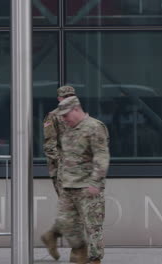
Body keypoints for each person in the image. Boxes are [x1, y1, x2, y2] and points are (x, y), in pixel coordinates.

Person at [56, 96, 110, 264]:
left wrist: (95, 182)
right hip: (68, 186)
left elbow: (101, 156)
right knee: (69, 225)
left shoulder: (94, 127)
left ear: (76, 109)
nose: (64, 119)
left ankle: (94, 260)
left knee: (92, 227)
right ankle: (79, 258)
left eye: (66, 115)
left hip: (87, 187)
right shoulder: (68, 128)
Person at [41, 85, 77, 261]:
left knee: (73, 209)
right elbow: (49, 145)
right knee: (71, 208)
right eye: (65, 96)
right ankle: (77, 251)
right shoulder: (53, 116)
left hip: (78, 170)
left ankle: (52, 235)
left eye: (71, 95)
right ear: (59, 99)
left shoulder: (77, 115)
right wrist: (63, 164)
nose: (68, 98)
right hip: (62, 170)